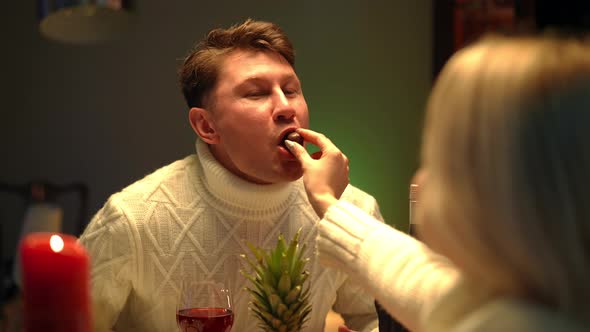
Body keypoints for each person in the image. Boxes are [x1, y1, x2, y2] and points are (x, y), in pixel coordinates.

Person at [79, 19, 382, 332]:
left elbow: (379, 321)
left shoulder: (350, 211)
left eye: (291, 90)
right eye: (255, 94)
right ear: (207, 126)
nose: (285, 106)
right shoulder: (132, 219)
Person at [286, 34, 590, 331]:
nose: (421, 178)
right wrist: (327, 201)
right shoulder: (525, 301)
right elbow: (416, 278)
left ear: (499, 195)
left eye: (438, 162)